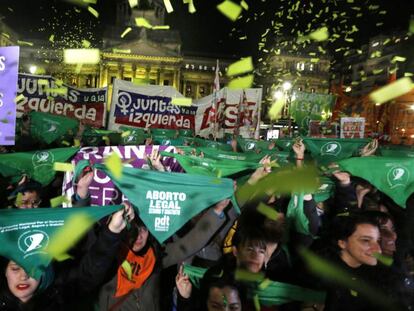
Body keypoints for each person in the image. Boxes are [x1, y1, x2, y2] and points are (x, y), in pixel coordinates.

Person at [0, 204, 134, 310]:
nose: (23, 277)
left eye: (32, 268)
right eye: (15, 268)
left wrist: (112, 231)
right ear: (5, 272)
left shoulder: (60, 296)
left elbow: (90, 272)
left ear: (45, 273)